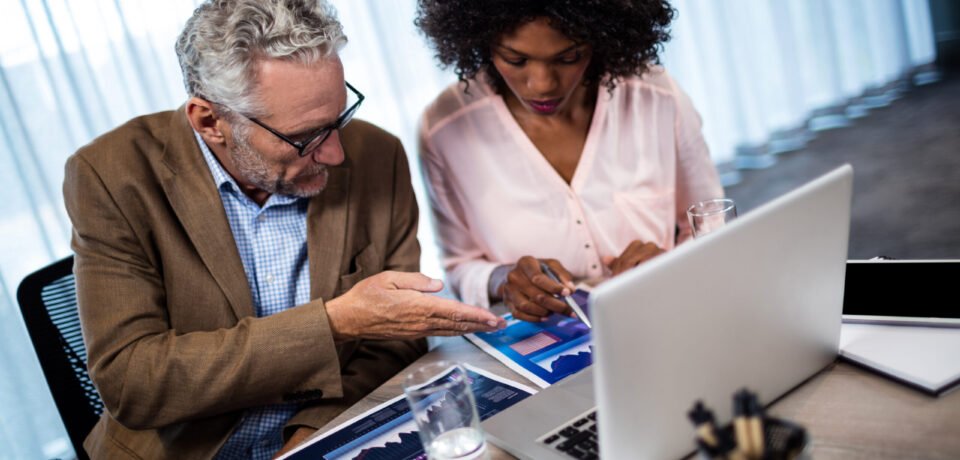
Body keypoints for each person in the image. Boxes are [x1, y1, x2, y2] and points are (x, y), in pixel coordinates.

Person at [62, 1, 504, 458]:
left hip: (331, 434)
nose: (335, 153)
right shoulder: (111, 175)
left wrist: (309, 439)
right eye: (306, 136)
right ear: (211, 121)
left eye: (339, 119)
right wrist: (335, 323)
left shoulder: (378, 155)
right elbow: (133, 382)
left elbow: (394, 342)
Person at [415, 0, 723, 322]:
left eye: (568, 57)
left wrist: (673, 263)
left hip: (667, 316)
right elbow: (460, 265)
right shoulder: (444, 130)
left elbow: (711, 224)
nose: (543, 84)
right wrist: (504, 279)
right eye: (515, 59)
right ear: (481, 41)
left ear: (600, 36)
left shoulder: (656, 95)